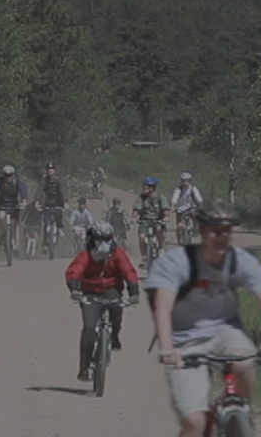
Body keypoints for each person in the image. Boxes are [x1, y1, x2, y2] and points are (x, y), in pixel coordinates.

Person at [144, 207, 261, 437]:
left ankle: (238, 414)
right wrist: (167, 348)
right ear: (202, 232)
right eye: (214, 231)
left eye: (226, 231)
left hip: (225, 331)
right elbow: (163, 307)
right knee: (194, 422)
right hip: (183, 341)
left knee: (245, 362)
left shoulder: (240, 260)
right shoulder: (178, 262)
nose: (221, 237)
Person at [65, 222, 140, 381]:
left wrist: (133, 292)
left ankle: (114, 336)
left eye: (106, 239)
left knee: (117, 309)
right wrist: (74, 289)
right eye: (99, 239)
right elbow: (74, 270)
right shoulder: (86, 254)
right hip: (89, 292)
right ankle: (84, 367)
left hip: (111, 290)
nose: (102, 243)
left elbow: (128, 271)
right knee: (89, 328)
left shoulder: (117, 253)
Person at [0, 165, 30, 257]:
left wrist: (24, 199)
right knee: (1, 216)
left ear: (13, 175)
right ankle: (3, 234)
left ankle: (16, 247)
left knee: (15, 225)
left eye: (9, 175)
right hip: (2, 204)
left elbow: (23, 190)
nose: (7, 177)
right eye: (6, 175)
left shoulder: (17, 181)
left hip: (14, 204)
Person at [134, 177, 171, 257]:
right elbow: (137, 209)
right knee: (142, 238)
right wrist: (134, 218)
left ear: (152, 188)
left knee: (160, 230)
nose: (143, 189)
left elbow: (165, 208)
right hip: (144, 220)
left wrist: (166, 217)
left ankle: (161, 247)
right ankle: (144, 257)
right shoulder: (141, 198)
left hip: (158, 220)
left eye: (145, 187)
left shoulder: (160, 197)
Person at [39, 162, 68, 249]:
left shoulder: (59, 180)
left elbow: (63, 190)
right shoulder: (44, 180)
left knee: (58, 215)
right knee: (45, 222)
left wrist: (65, 201)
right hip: (48, 203)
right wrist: (37, 201)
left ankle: (59, 228)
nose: (50, 171)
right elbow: (40, 190)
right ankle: (44, 243)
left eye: (52, 169)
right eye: (48, 169)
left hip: (58, 202)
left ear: (55, 171)